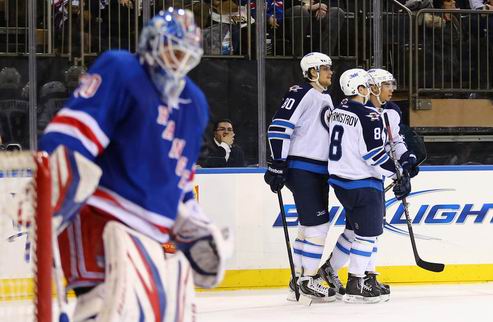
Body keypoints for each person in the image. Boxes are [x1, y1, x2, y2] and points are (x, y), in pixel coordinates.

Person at [38, 8, 232, 321]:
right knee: (103, 307)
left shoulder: (194, 103)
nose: (176, 61)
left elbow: (179, 183)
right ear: (151, 43)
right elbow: (72, 134)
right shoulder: (122, 69)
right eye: (171, 50)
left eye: (184, 54)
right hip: (101, 218)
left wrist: (194, 228)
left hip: (152, 238)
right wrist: (54, 182)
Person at [318, 68, 419, 302]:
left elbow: (395, 141)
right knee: (369, 231)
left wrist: (407, 159)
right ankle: (359, 279)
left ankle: (351, 272)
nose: (388, 89)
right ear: (365, 87)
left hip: (343, 178)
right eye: (382, 84)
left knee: (356, 229)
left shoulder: (342, 109)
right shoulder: (368, 114)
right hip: (363, 178)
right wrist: (398, 174)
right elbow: (374, 154)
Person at [264, 52, 336, 302]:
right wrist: (277, 163)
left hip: (316, 169)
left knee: (308, 226)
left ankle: (299, 278)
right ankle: (310, 279)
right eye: (325, 68)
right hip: (304, 168)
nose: (330, 72)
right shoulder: (301, 92)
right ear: (313, 71)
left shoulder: (323, 97)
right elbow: (279, 127)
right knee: (318, 226)